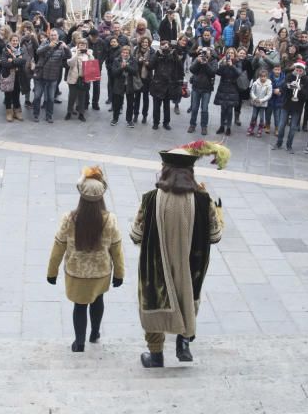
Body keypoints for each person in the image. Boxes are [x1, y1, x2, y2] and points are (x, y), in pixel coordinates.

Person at [131, 143, 226, 366]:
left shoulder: (150, 199)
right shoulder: (204, 201)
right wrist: (218, 214)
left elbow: (136, 235)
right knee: (188, 298)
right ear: (190, 173)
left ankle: (155, 356)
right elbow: (216, 236)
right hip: (192, 267)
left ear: (164, 171)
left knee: (154, 303)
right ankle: (183, 342)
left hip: (155, 268)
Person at [47, 167, 125, 352]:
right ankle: (95, 333)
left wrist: (52, 271)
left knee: (79, 307)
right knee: (98, 301)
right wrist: (119, 274)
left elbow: (58, 246)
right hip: (101, 272)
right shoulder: (110, 219)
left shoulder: (69, 218)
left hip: (76, 273)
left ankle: (79, 342)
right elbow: (117, 249)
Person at [32, 29, 69, 123]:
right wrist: (48, 46)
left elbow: (68, 56)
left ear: (58, 36)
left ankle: (49, 116)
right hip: (40, 75)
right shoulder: (45, 43)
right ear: (49, 36)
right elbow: (38, 52)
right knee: (37, 96)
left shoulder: (61, 46)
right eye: (51, 35)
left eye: (55, 35)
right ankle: (36, 114)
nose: (53, 37)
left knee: (51, 98)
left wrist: (66, 48)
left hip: (52, 76)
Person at [187, 50, 216, 135]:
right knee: (194, 108)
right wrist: (197, 61)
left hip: (207, 89)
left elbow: (213, 73)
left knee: (204, 109)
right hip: (196, 87)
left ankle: (204, 126)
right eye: (204, 53)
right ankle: (192, 125)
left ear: (210, 54)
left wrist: (206, 63)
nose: (205, 54)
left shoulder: (213, 61)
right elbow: (191, 69)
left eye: (207, 52)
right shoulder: (198, 59)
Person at [246, 67, 272, 137]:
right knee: (254, 116)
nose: (263, 78)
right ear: (259, 76)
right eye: (261, 76)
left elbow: (269, 95)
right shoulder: (255, 83)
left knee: (261, 117)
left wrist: (262, 100)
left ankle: (260, 128)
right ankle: (251, 127)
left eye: (264, 77)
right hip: (255, 103)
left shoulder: (269, 85)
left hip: (262, 104)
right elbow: (252, 92)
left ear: (266, 77)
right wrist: (255, 98)